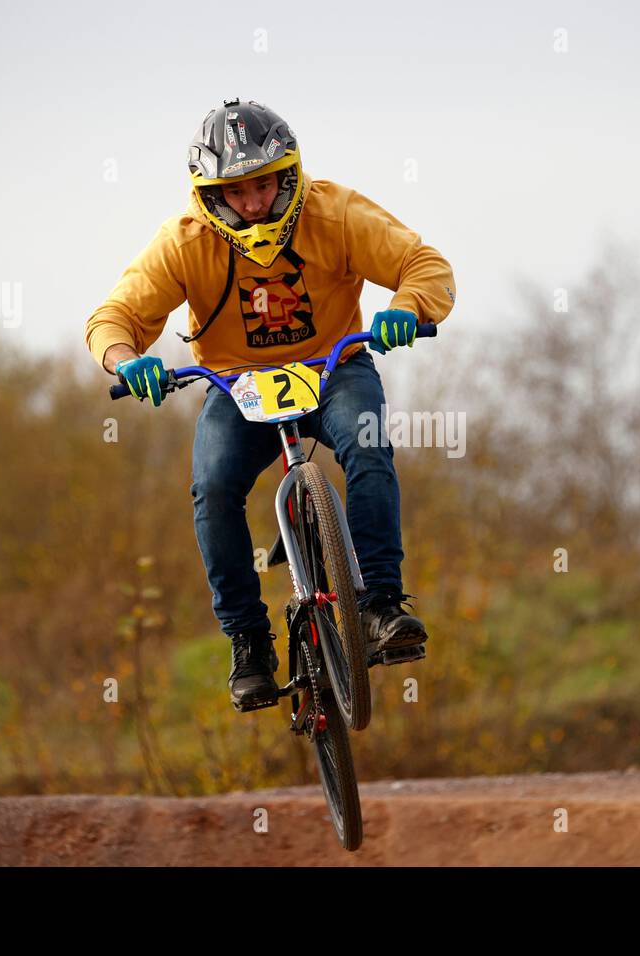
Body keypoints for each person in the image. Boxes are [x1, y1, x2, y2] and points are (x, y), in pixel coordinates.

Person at [85, 99, 456, 710]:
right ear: (210, 195)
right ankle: (249, 643)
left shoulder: (334, 212)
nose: (255, 204)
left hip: (336, 366)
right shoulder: (184, 242)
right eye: (237, 191)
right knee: (212, 487)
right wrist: (127, 360)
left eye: (264, 184)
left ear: (289, 173)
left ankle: (381, 607)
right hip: (236, 384)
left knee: (368, 447)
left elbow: (424, 264)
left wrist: (406, 309)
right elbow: (114, 317)